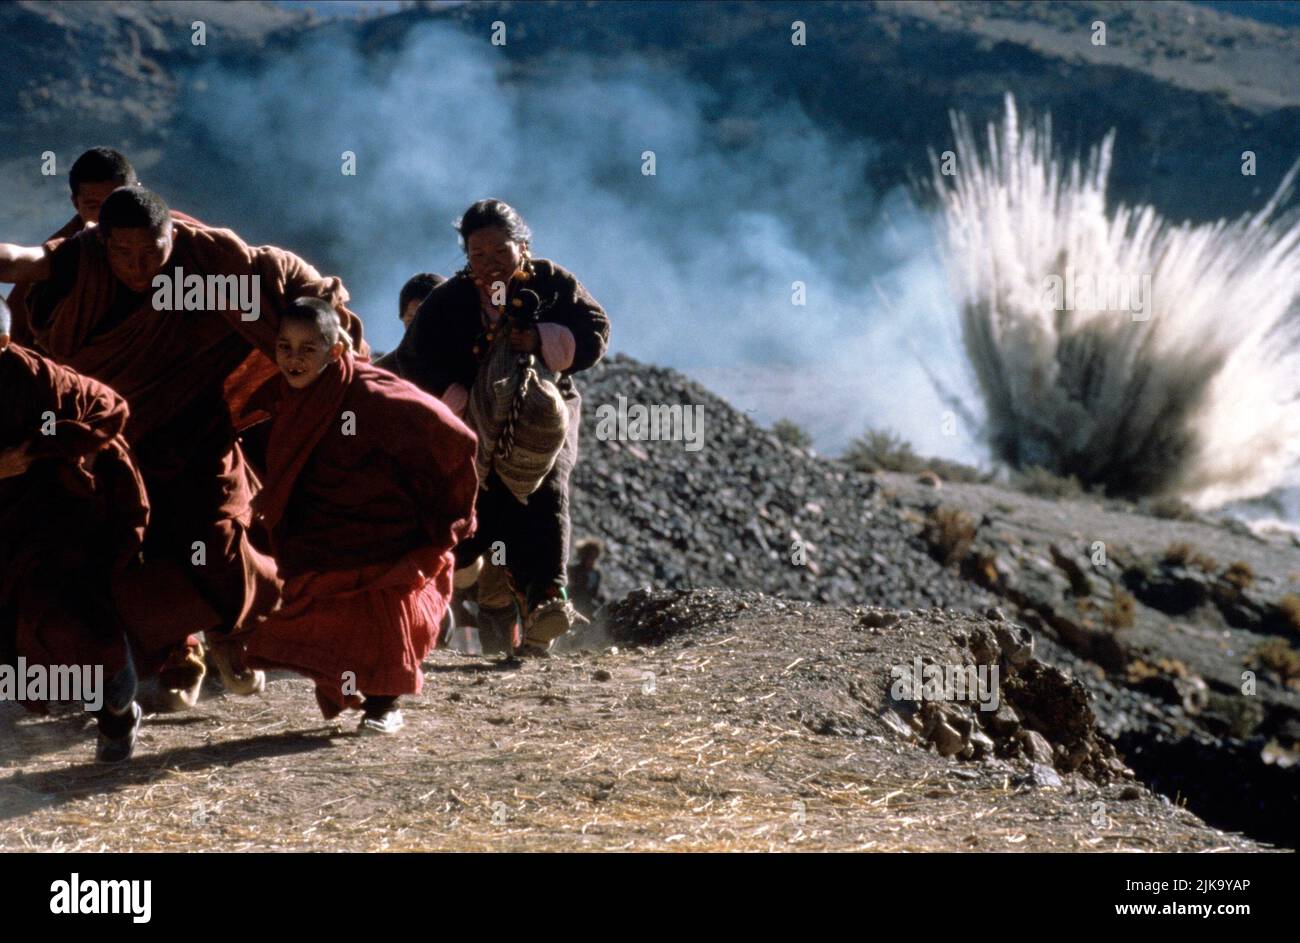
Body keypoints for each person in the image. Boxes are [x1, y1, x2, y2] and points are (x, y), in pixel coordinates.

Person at [23, 186, 367, 702]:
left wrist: (322, 310)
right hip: (119, 447)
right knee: (135, 556)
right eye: (123, 253)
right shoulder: (79, 265)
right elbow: (19, 268)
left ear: (171, 235)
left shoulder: (206, 259)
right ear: (104, 243)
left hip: (198, 432)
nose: (138, 268)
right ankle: (176, 657)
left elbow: (279, 278)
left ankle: (243, 634)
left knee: (223, 544)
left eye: (150, 252)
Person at [236, 298, 477, 732]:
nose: (293, 359)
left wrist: (448, 519)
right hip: (323, 538)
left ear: (334, 352)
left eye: (307, 349)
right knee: (332, 626)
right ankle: (359, 684)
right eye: (285, 347)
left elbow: (451, 435)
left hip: (383, 536)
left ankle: (385, 707)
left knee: (380, 624)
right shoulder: (285, 396)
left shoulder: (372, 394)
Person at [392, 199, 609, 655]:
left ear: (523, 246)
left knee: (546, 488)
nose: (489, 264)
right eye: (478, 254)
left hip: (548, 412)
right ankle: (498, 611)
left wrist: (542, 340)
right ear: (466, 256)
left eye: (499, 252)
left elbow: (595, 329)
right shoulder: (449, 300)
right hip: (473, 422)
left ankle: (548, 598)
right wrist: (458, 398)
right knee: (485, 508)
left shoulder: (551, 282)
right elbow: (414, 358)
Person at [0, 295, 150, 762]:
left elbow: (108, 407)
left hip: (46, 531)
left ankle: (117, 709)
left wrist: (61, 445)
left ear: (3, 342)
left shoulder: (34, 379)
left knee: (76, 630)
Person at [373, 272, 445, 371]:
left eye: (429, 319)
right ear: (402, 318)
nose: (420, 329)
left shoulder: (468, 360)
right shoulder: (384, 371)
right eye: (411, 320)